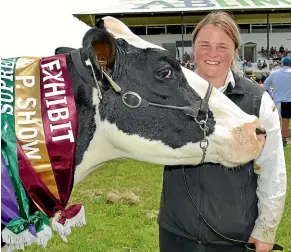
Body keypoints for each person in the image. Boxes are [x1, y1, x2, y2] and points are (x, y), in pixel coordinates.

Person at [158, 11, 287, 252]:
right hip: (176, 233)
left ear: (235, 51)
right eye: (204, 44)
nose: (212, 53)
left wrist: (266, 230)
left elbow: (272, 169)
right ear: (193, 47)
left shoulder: (257, 101)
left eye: (222, 46)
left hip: (233, 237)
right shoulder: (170, 94)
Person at [264, 56, 291, 147]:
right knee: (285, 123)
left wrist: (271, 94)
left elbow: (265, 85)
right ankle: (283, 140)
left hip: (277, 101)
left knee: (275, 122)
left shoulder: (275, 73)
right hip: (289, 101)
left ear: (282, 63)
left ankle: (275, 140)